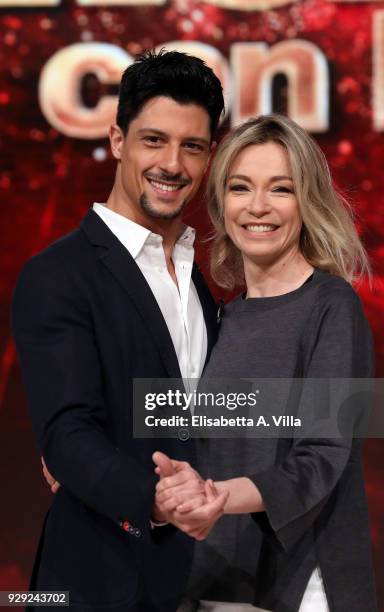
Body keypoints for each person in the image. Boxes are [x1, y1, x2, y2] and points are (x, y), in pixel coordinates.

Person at [11, 49, 227, 612]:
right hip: (98, 581)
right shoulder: (58, 274)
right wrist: (163, 502)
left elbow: (215, 412)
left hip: (206, 581)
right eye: (153, 140)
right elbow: (67, 436)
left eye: (193, 146)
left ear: (210, 156)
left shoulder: (212, 279)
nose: (172, 164)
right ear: (117, 140)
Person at [154, 115, 378, 612]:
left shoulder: (333, 305)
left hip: (304, 580)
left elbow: (322, 457)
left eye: (281, 189)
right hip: (215, 579)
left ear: (307, 202)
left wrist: (217, 496)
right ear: (220, 202)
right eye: (240, 187)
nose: (258, 207)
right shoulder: (219, 317)